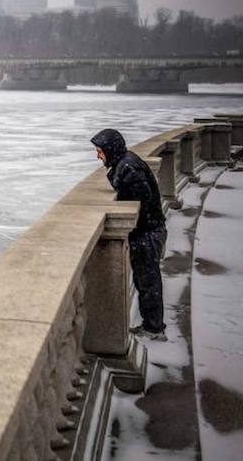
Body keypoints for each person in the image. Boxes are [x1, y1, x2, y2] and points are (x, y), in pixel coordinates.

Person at [91, 128, 168, 341]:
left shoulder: (129, 167)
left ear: (110, 149)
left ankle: (154, 329)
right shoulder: (124, 162)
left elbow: (139, 204)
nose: (98, 156)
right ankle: (153, 325)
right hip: (147, 231)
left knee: (148, 282)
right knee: (146, 281)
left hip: (147, 233)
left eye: (100, 151)